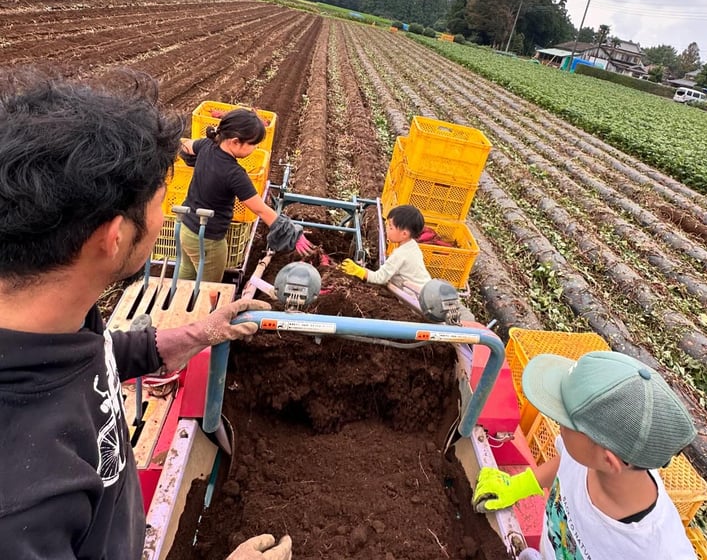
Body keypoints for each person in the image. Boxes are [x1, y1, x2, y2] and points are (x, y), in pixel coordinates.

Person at [0, 68, 291, 560]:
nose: (165, 218)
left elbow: (91, 361)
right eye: (162, 204)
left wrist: (190, 335)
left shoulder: (55, 319)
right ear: (113, 238)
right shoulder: (23, 508)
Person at [472, 350, 697, 559]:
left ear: (608, 460)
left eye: (565, 421)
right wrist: (517, 486)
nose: (557, 423)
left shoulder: (656, 551)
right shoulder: (594, 457)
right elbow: (566, 463)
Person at [178, 108, 312, 282]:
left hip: (185, 228)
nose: (255, 148)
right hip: (207, 240)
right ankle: (203, 310)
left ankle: (174, 304)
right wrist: (293, 235)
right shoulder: (234, 174)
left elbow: (186, 146)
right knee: (207, 287)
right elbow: (261, 210)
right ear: (235, 142)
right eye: (253, 144)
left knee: (185, 275)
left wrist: (198, 163)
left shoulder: (206, 145)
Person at [340, 204, 432, 288]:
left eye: (391, 227)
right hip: (427, 289)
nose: (387, 228)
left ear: (404, 234)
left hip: (416, 298)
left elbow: (380, 278)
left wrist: (359, 271)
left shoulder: (400, 254)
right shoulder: (413, 246)